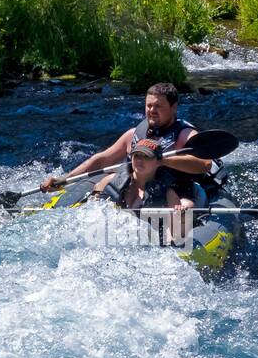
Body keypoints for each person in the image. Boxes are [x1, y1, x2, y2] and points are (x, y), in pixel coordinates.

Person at [38, 82, 211, 193]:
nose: (152, 110)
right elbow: (101, 160)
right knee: (107, 181)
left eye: (158, 106)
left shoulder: (185, 134)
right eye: (149, 105)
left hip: (173, 192)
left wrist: (162, 161)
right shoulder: (133, 134)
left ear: (173, 108)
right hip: (137, 191)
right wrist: (65, 179)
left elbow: (204, 165)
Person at [92, 139, 196, 243]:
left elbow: (175, 237)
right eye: (137, 155)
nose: (140, 160)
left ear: (159, 162)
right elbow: (91, 212)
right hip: (110, 238)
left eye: (147, 157)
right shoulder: (111, 181)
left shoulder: (168, 194)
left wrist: (179, 218)